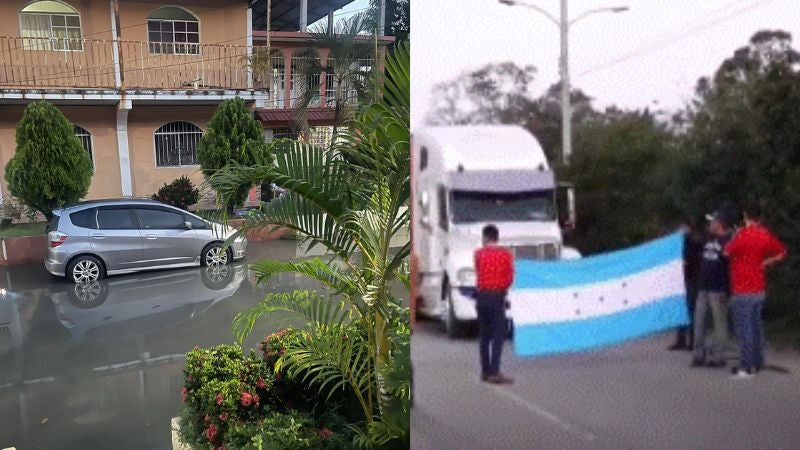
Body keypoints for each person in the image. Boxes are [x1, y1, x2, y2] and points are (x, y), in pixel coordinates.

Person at [724, 202, 787, 378]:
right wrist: (766, 262)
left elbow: (726, 252)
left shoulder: (742, 235)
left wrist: (734, 237)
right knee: (756, 327)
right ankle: (758, 362)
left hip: (742, 288)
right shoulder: (764, 234)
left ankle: (746, 366)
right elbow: (782, 252)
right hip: (759, 288)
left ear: (745, 216)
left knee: (745, 330)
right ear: (760, 217)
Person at [691, 209, 734, 368]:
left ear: (720, 223)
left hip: (718, 288)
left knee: (719, 323)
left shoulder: (729, 240)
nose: (710, 224)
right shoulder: (708, 238)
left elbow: (731, 262)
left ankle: (718, 356)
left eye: (713, 221)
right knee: (699, 321)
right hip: (703, 287)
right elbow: (694, 241)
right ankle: (698, 354)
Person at [474, 224, 514, 384]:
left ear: (485, 237)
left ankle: (485, 370)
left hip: (482, 296)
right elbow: (509, 277)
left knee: (484, 335)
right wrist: (502, 287)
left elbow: (478, 271)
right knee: (498, 334)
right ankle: (495, 371)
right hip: (497, 296)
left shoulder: (478, 254)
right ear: (497, 237)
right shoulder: (506, 254)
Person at [669, 217, 704, 351]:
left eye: (682, 228)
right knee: (680, 310)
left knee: (690, 310)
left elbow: (691, 260)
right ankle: (681, 339)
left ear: (687, 227)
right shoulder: (680, 242)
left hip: (692, 279)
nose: (680, 230)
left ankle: (692, 341)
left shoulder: (694, 242)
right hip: (681, 280)